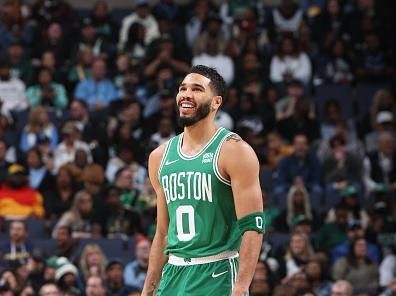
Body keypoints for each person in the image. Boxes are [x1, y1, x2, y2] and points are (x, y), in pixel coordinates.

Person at [142, 65, 265, 295]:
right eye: (182, 89)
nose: (186, 94)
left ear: (216, 102)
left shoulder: (235, 151)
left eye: (197, 89)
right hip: (173, 274)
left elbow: (253, 227)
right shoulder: (159, 157)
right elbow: (163, 233)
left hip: (217, 273)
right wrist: (148, 289)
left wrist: (240, 287)